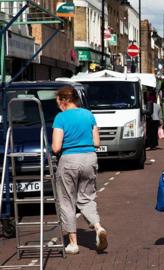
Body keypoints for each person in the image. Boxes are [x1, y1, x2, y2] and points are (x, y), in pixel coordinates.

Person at [51, 86, 108, 255]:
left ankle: (73, 243)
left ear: (64, 100)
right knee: (86, 198)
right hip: (89, 158)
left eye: (58, 102)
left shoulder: (60, 118)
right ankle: (98, 227)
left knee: (67, 200)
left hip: (69, 159)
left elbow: (56, 147)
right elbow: (97, 142)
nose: (58, 105)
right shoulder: (88, 114)